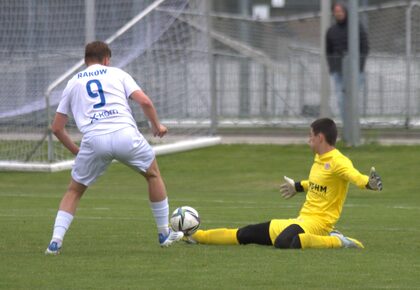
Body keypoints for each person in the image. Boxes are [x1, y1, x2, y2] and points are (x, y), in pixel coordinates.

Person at [45, 41, 184, 255]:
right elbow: (145, 102)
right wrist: (157, 126)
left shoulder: (73, 82)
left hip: (94, 140)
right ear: (107, 59)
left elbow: (56, 128)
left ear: (85, 60)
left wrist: (77, 151)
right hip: (125, 135)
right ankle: (163, 233)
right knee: (152, 175)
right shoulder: (118, 74)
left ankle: (55, 242)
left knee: (74, 190)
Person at [186, 118, 382, 249]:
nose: (308, 140)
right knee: (246, 233)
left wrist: (368, 183)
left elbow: (354, 176)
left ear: (320, 138)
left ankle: (338, 241)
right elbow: (316, 183)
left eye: (310, 136)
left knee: (284, 242)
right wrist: (297, 186)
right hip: (301, 220)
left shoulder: (339, 161)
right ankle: (196, 236)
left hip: (319, 224)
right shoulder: (319, 160)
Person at [326, 2, 369, 120]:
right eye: (336, 12)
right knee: (341, 98)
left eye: (340, 11)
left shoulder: (357, 27)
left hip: (355, 71)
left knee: (351, 98)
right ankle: (346, 126)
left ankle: (353, 125)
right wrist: (332, 67)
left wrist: (359, 66)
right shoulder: (331, 31)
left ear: (345, 12)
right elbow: (328, 51)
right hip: (338, 71)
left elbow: (365, 47)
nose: (338, 14)